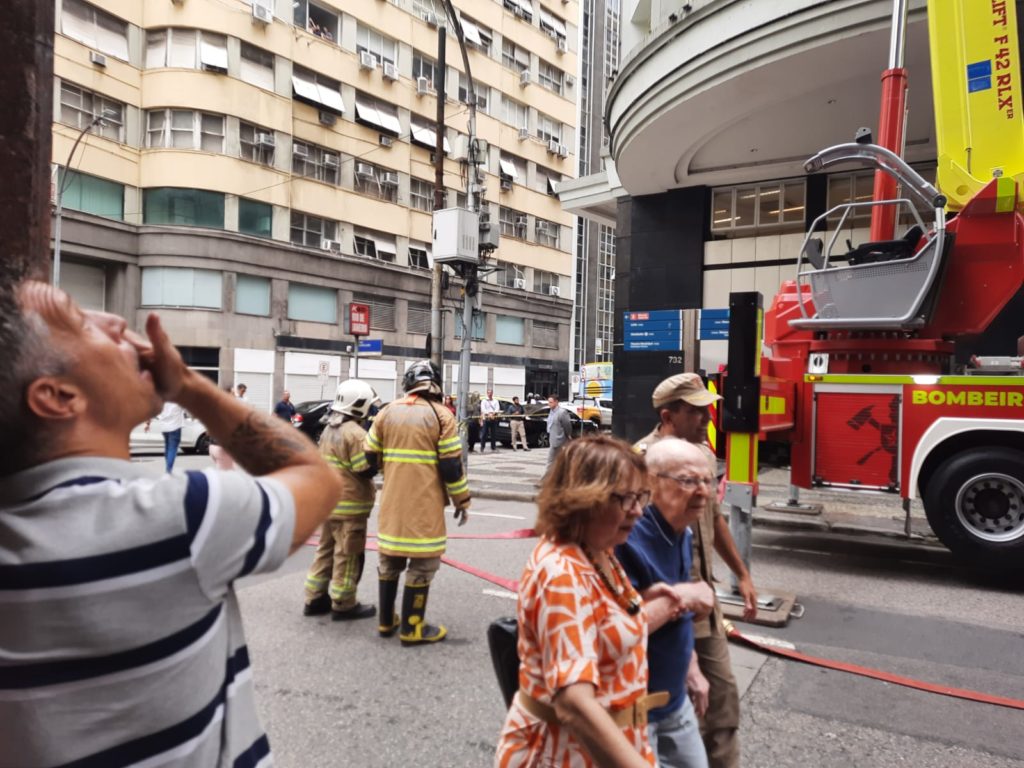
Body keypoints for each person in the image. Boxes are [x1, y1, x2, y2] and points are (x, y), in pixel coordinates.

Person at [0, 280, 341, 766]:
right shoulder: (178, 517)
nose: (115, 322)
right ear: (57, 396)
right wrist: (188, 385)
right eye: (79, 322)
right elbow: (315, 477)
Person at [496, 435, 675, 767]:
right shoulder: (562, 572)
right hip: (563, 753)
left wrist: (657, 604)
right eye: (624, 498)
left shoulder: (597, 549)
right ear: (583, 499)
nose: (637, 510)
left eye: (641, 496)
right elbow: (574, 703)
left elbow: (602, 625)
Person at [634, 373, 757, 768]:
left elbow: (715, 519)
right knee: (660, 709)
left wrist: (742, 573)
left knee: (721, 702)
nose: (707, 417)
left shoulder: (701, 454)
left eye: (707, 408)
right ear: (669, 415)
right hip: (661, 604)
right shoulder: (643, 460)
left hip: (703, 600)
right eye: (696, 410)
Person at [618, 439, 718, 768]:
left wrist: (691, 669)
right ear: (651, 482)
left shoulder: (682, 530)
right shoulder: (625, 538)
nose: (703, 491)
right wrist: (687, 595)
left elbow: (678, 614)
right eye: (689, 481)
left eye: (708, 480)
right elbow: (616, 631)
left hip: (675, 703)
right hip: (631, 714)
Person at [365, 360, 470, 645]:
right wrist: (462, 500)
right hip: (425, 507)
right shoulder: (442, 416)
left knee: (389, 561)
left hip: (392, 506)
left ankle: (386, 622)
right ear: (435, 384)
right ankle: (413, 628)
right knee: (422, 565)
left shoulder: (387, 412)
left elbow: (368, 456)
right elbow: (451, 467)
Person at [303, 379, 380, 620]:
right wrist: (378, 457)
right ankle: (344, 603)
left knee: (325, 550)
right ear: (358, 406)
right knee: (348, 554)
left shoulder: (329, 429)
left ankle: (314, 598)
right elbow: (363, 468)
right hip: (350, 507)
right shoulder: (355, 433)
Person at [145, 400, 185, 472]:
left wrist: (148, 423)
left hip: (164, 427)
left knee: (168, 448)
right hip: (175, 427)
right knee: (172, 449)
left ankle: (168, 468)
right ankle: (168, 470)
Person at [545, 394, 573, 468]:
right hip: (552, 438)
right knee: (557, 461)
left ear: (556, 402)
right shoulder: (551, 412)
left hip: (559, 439)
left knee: (550, 461)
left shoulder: (562, 412)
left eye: (551, 402)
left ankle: (547, 478)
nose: (549, 404)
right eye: (548, 402)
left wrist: (568, 435)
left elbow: (567, 425)